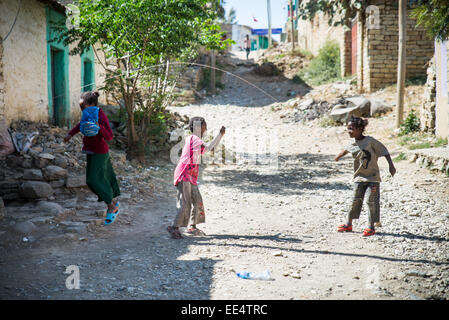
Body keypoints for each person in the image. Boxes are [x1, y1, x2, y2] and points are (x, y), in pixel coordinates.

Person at [63, 91, 121, 225]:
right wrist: (70, 134)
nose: (82, 109)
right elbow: (80, 125)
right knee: (91, 181)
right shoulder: (87, 114)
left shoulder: (100, 115)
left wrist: (98, 127)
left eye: (84, 106)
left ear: (92, 104)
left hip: (100, 152)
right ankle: (113, 203)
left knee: (93, 180)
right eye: (81, 107)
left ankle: (111, 207)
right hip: (90, 151)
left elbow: (109, 136)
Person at [334, 116, 396, 237]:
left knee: (371, 201)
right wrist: (338, 156)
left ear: (360, 128)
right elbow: (345, 150)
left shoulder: (370, 141)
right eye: (348, 128)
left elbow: (384, 151)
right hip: (359, 178)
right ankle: (348, 224)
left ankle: (371, 227)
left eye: (351, 128)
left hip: (373, 178)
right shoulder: (352, 143)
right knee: (355, 200)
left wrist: (391, 166)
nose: (349, 131)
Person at [167, 117, 225, 239]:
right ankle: (174, 227)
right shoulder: (194, 139)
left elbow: (206, 149)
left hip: (191, 177)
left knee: (197, 200)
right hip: (184, 175)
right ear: (198, 128)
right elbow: (209, 148)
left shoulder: (194, 140)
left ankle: (192, 226)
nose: (206, 129)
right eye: (204, 127)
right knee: (185, 203)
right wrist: (220, 135)